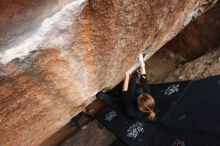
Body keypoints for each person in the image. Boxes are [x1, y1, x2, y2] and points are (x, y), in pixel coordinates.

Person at [122, 53, 156, 121]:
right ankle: (134, 76)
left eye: (139, 97)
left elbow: (124, 92)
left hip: (126, 108)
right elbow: (144, 81)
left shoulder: (131, 111)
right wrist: (142, 63)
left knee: (126, 97)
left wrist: (127, 75)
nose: (140, 94)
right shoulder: (148, 100)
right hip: (137, 105)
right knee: (134, 79)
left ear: (138, 103)